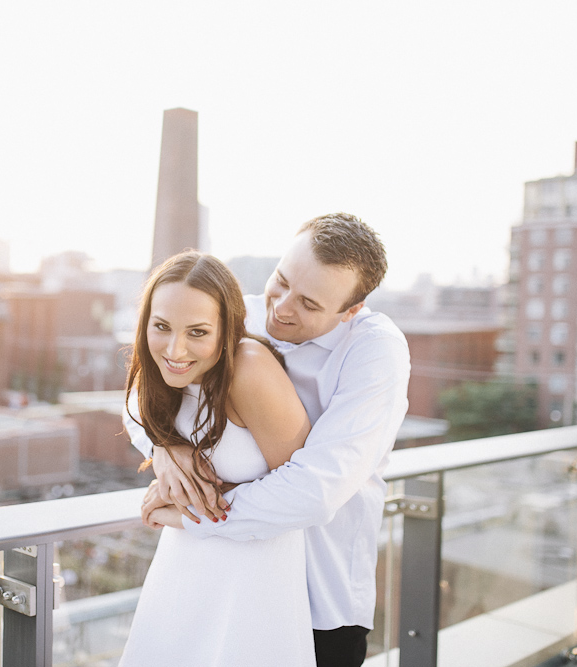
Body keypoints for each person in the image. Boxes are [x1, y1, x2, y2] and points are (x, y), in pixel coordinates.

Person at [131, 213, 410, 667]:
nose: (280, 308)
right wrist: (166, 449)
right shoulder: (240, 313)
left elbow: (313, 493)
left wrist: (192, 515)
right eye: (280, 281)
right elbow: (148, 382)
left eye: (309, 304)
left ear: (350, 310)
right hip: (218, 578)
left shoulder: (376, 352)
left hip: (320, 591)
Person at [119, 251, 316, 667]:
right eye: (161, 327)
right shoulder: (161, 370)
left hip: (251, 582)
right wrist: (165, 448)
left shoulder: (248, 370)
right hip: (181, 573)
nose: (175, 348)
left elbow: (302, 496)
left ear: (227, 330)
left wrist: (184, 513)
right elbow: (134, 407)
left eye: (197, 332)